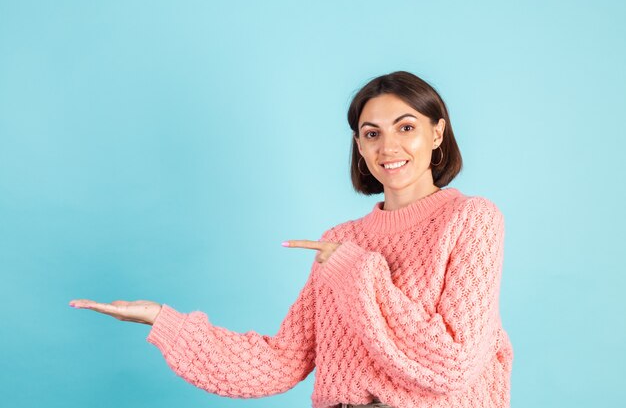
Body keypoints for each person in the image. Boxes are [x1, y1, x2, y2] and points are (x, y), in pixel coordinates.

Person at [70, 71, 513, 408]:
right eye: (371, 133)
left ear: (437, 133)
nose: (387, 146)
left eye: (406, 127)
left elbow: (454, 363)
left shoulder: (470, 219)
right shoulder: (341, 240)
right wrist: (163, 321)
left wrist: (357, 270)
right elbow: (281, 362)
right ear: (359, 146)